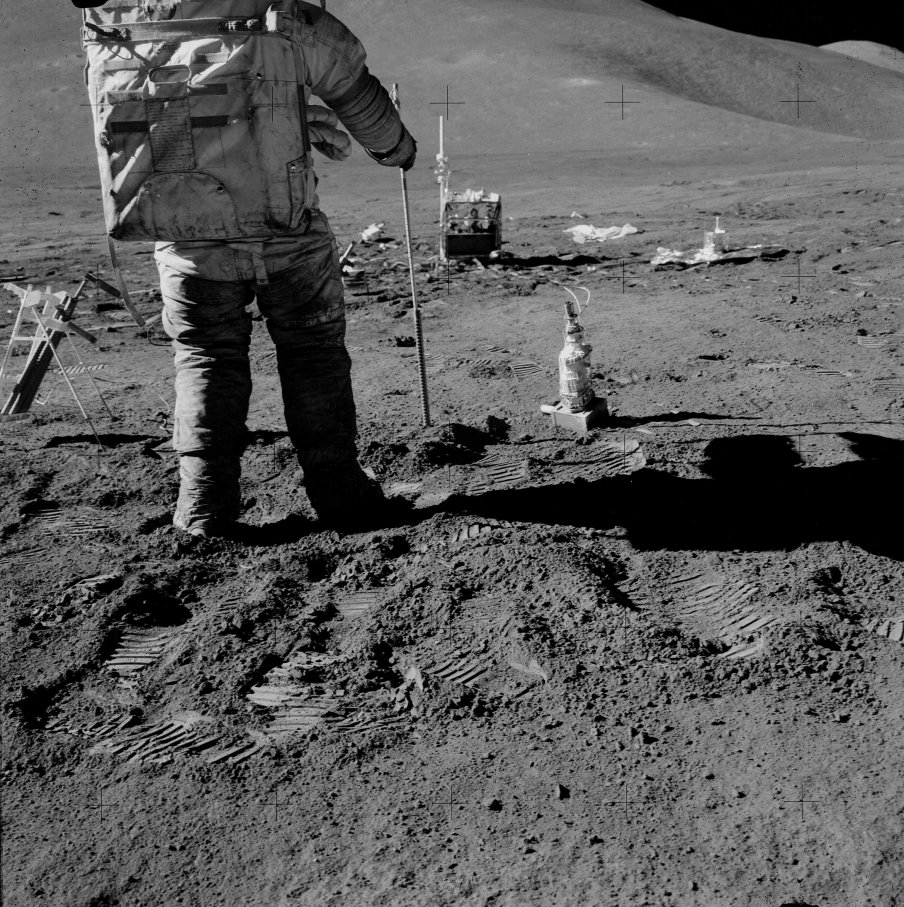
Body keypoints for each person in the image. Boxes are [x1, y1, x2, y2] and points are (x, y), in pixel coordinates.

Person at [142, 4, 417, 538]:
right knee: (313, 355)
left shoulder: (135, 27)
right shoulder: (286, 21)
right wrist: (399, 150)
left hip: (189, 242)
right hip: (286, 238)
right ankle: (341, 496)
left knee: (205, 358)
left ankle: (204, 505)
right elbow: (367, 110)